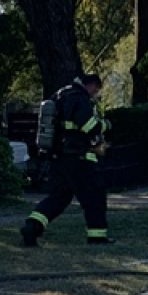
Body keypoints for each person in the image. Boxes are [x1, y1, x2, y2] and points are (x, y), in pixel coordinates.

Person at [21, 73, 112, 246]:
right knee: (95, 196)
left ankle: (32, 226)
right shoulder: (80, 98)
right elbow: (89, 126)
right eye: (96, 90)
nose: (95, 94)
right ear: (91, 85)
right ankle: (97, 237)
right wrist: (105, 124)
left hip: (59, 159)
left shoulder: (61, 95)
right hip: (79, 159)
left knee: (58, 198)